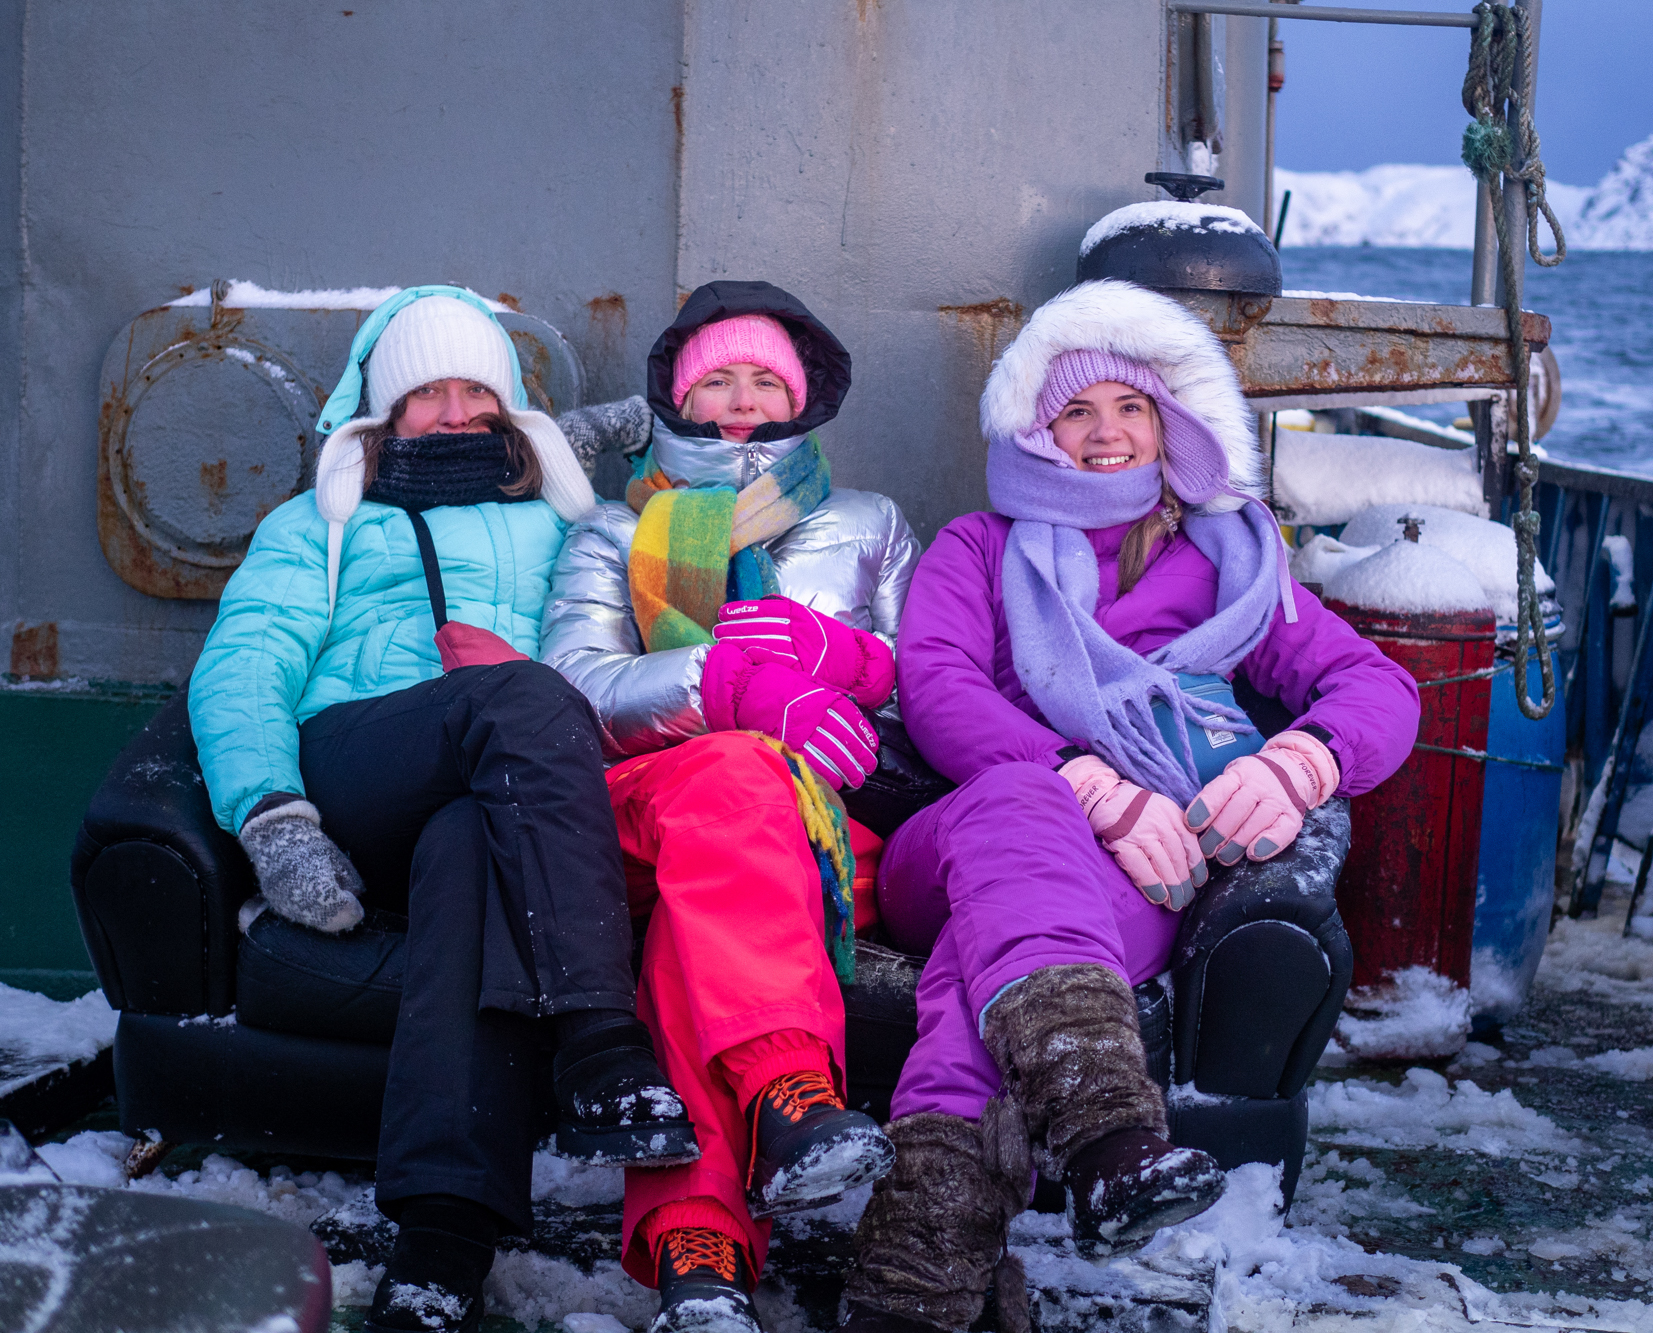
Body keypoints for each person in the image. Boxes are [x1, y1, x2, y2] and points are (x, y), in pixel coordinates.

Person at [840, 279, 1421, 1333]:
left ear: (1168, 424)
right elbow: (937, 688)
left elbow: (1377, 688)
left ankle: (914, 1286)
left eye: (1130, 409)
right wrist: (1087, 780)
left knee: (986, 983)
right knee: (1019, 797)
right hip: (962, 839)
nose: (1105, 433)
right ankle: (1110, 1136)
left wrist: (1300, 763)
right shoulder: (977, 547)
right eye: (1075, 411)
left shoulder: (1230, 563)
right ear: (1036, 430)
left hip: (1144, 870)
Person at [189, 287, 700, 1333]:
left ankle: (443, 1236)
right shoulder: (325, 521)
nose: (457, 410)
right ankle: (601, 1044)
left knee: (470, 843)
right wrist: (274, 815)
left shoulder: (568, 519)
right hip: (359, 765)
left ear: (512, 407)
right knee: (513, 695)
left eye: (478, 388)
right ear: (386, 410)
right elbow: (244, 666)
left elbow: (638, 644)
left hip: (499, 804)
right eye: (429, 393)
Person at [543, 281, 921, 1333]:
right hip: (652, 796)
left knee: (701, 904)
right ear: (676, 391)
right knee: (730, 776)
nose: (743, 398)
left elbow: (928, 688)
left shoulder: (870, 525)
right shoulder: (613, 532)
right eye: (719, 377)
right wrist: (723, 689)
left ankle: (695, 1259)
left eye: (766, 378)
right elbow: (573, 687)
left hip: (817, 825)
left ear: (804, 395)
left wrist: (840, 661)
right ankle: (791, 1098)